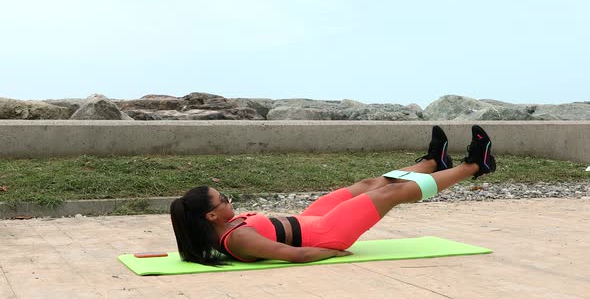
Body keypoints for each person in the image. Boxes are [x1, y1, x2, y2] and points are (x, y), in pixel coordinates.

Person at [170, 125, 497, 265]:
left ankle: (432, 162)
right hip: (325, 232)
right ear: (211, 215)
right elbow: (295, 255)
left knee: (369, 184)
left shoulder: (226, 228)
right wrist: (333, 252)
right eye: (221, 199)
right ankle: (475, 165)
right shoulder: (236, 240)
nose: (228, 198)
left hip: (309, 219)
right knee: (392, 192)